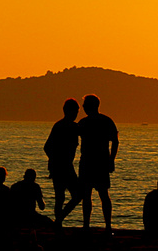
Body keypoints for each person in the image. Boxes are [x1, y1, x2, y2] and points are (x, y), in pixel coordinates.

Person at [76, 94, 119, 229]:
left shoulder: (84, 123)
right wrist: (111, 159)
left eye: (84, 105)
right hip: (99, 162)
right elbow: (115, 141)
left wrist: (111, 160)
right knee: (100, 194)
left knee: (91, 194)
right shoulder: (106, 121)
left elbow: (115, 141)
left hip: (91, 162)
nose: (83, 108)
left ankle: (88, 225)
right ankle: (106, 226)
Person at [45, 98, 84, 224]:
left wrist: (53, 161)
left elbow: (47, 147)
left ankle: (58, 221)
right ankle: (59, 220)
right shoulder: (70, 126)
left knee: (60, 197)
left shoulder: (60, 125)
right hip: (64, 166)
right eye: (75, 112)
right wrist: (57, 160)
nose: (76, 114)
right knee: (77, 195)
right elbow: (47, 147)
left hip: (58, 166)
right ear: (68, 111)